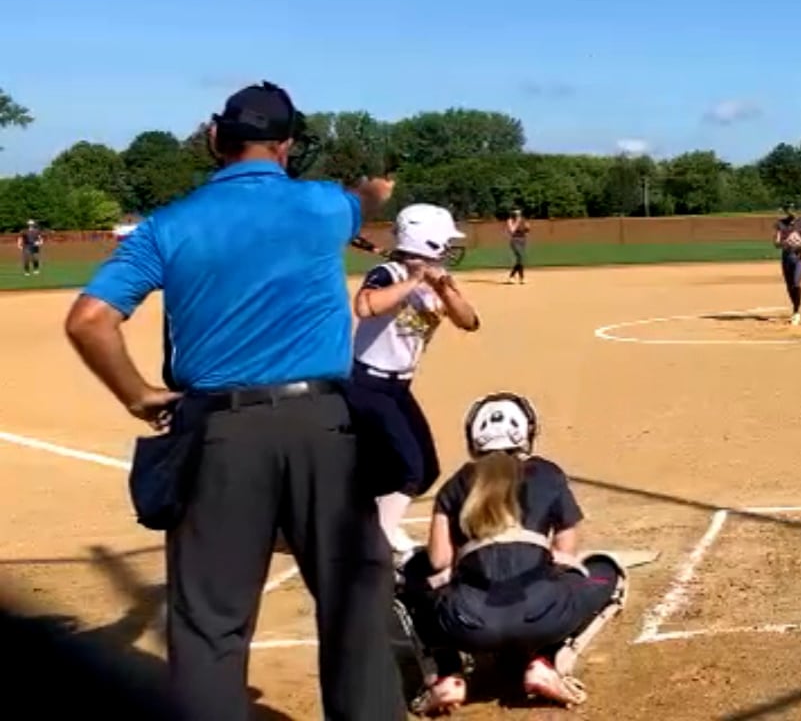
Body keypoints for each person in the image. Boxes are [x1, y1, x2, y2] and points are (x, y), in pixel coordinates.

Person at [63, 81, 404, 721]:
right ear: (287, 146)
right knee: (354, 604)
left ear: (216, 137)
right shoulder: (323, 206)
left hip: (218, 433)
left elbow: (88, 321)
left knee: (209, 625)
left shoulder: (169, 224)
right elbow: (361, 201)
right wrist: (374, 190)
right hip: (324, 428)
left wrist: (138, 396)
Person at [394, 392, 631, 713]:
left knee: (411, 572)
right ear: (526, 433)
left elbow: (438, 561)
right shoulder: (547, 474)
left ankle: (445, 674)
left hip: (468, 623)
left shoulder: (455, 484)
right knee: (605, 569)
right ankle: (548, 662)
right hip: (544, 615)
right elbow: (565, 550)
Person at [351, 204, 479, 561]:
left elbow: (469, 321)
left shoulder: (438, 281)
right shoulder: (387, 273)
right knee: (409, 468)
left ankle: (375, 521)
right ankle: (378, 541)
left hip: (398, 387)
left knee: (426, 470)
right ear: (428, 241)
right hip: (366, 384)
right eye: (445, 242)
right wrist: (414, 280)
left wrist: (444, 289)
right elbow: (365, 306)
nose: (450, 248)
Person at [505, 208, 530, 285]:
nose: (519, 215)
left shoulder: (523, 220)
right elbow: (512, 231)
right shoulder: (510, 221)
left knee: (520, 259)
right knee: (520, 257)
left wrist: (527, 227)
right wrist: (517, 222)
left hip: (522, 240)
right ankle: (518, 277)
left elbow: (527, 230)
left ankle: (516, 277)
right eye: (517, 214)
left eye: (519, 214)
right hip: (515, 240)